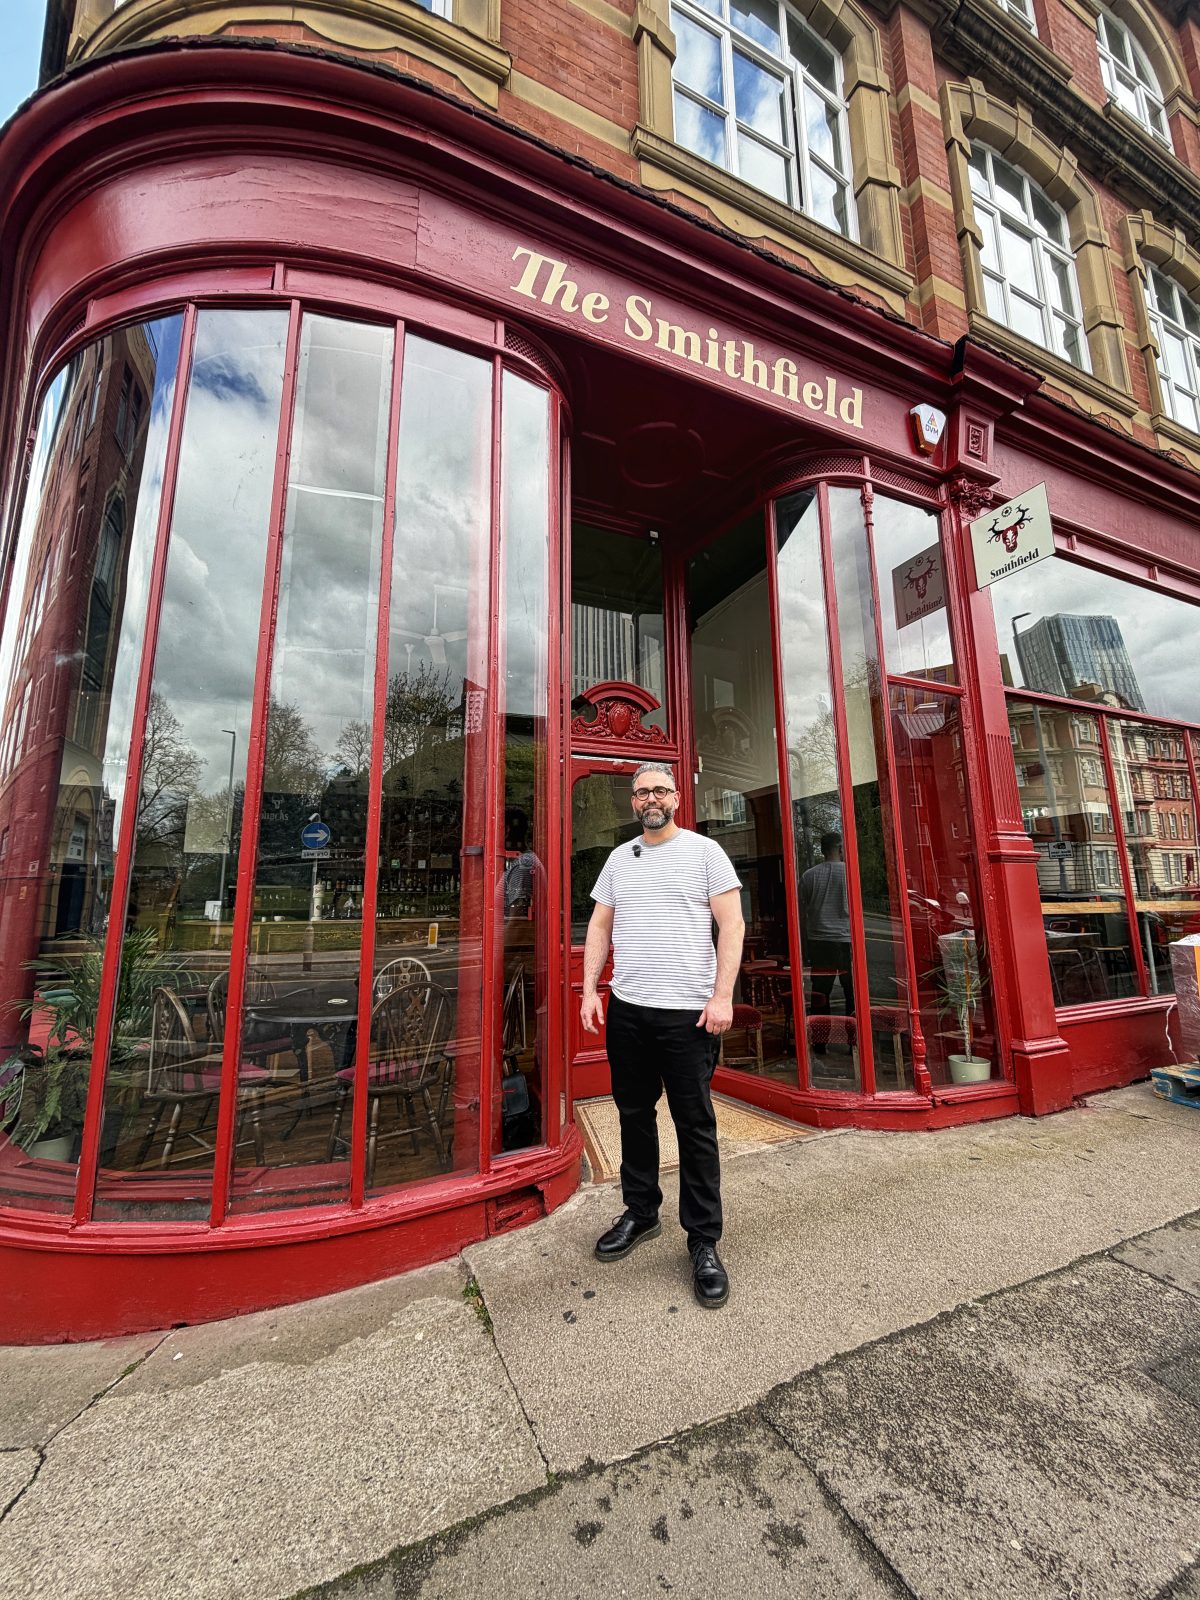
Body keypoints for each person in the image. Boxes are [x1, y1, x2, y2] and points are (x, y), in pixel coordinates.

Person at [581, 762, 744, 1309]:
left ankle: (703, 1241)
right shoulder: (617, 860)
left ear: (676, 797)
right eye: (641, 792)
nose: (650, 798)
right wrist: (590, 991)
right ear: (633, 803)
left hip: (687, 1016)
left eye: (660, 790)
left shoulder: (704, 853)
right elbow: (600, 926)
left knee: (694, 1123)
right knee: (632, 1114)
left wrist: (721, 997)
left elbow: (733, 925)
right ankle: (641, 1211)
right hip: (629, 1011)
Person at [800, 832, 854, 1052]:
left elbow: (801, 910)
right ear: (840, 848)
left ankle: (820, 1042)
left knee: (821, 994)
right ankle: (854, 1042)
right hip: (845, 940)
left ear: (822, 850)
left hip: (819, 940)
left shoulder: (810, 876)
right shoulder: (850, 874)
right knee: (852, 993)